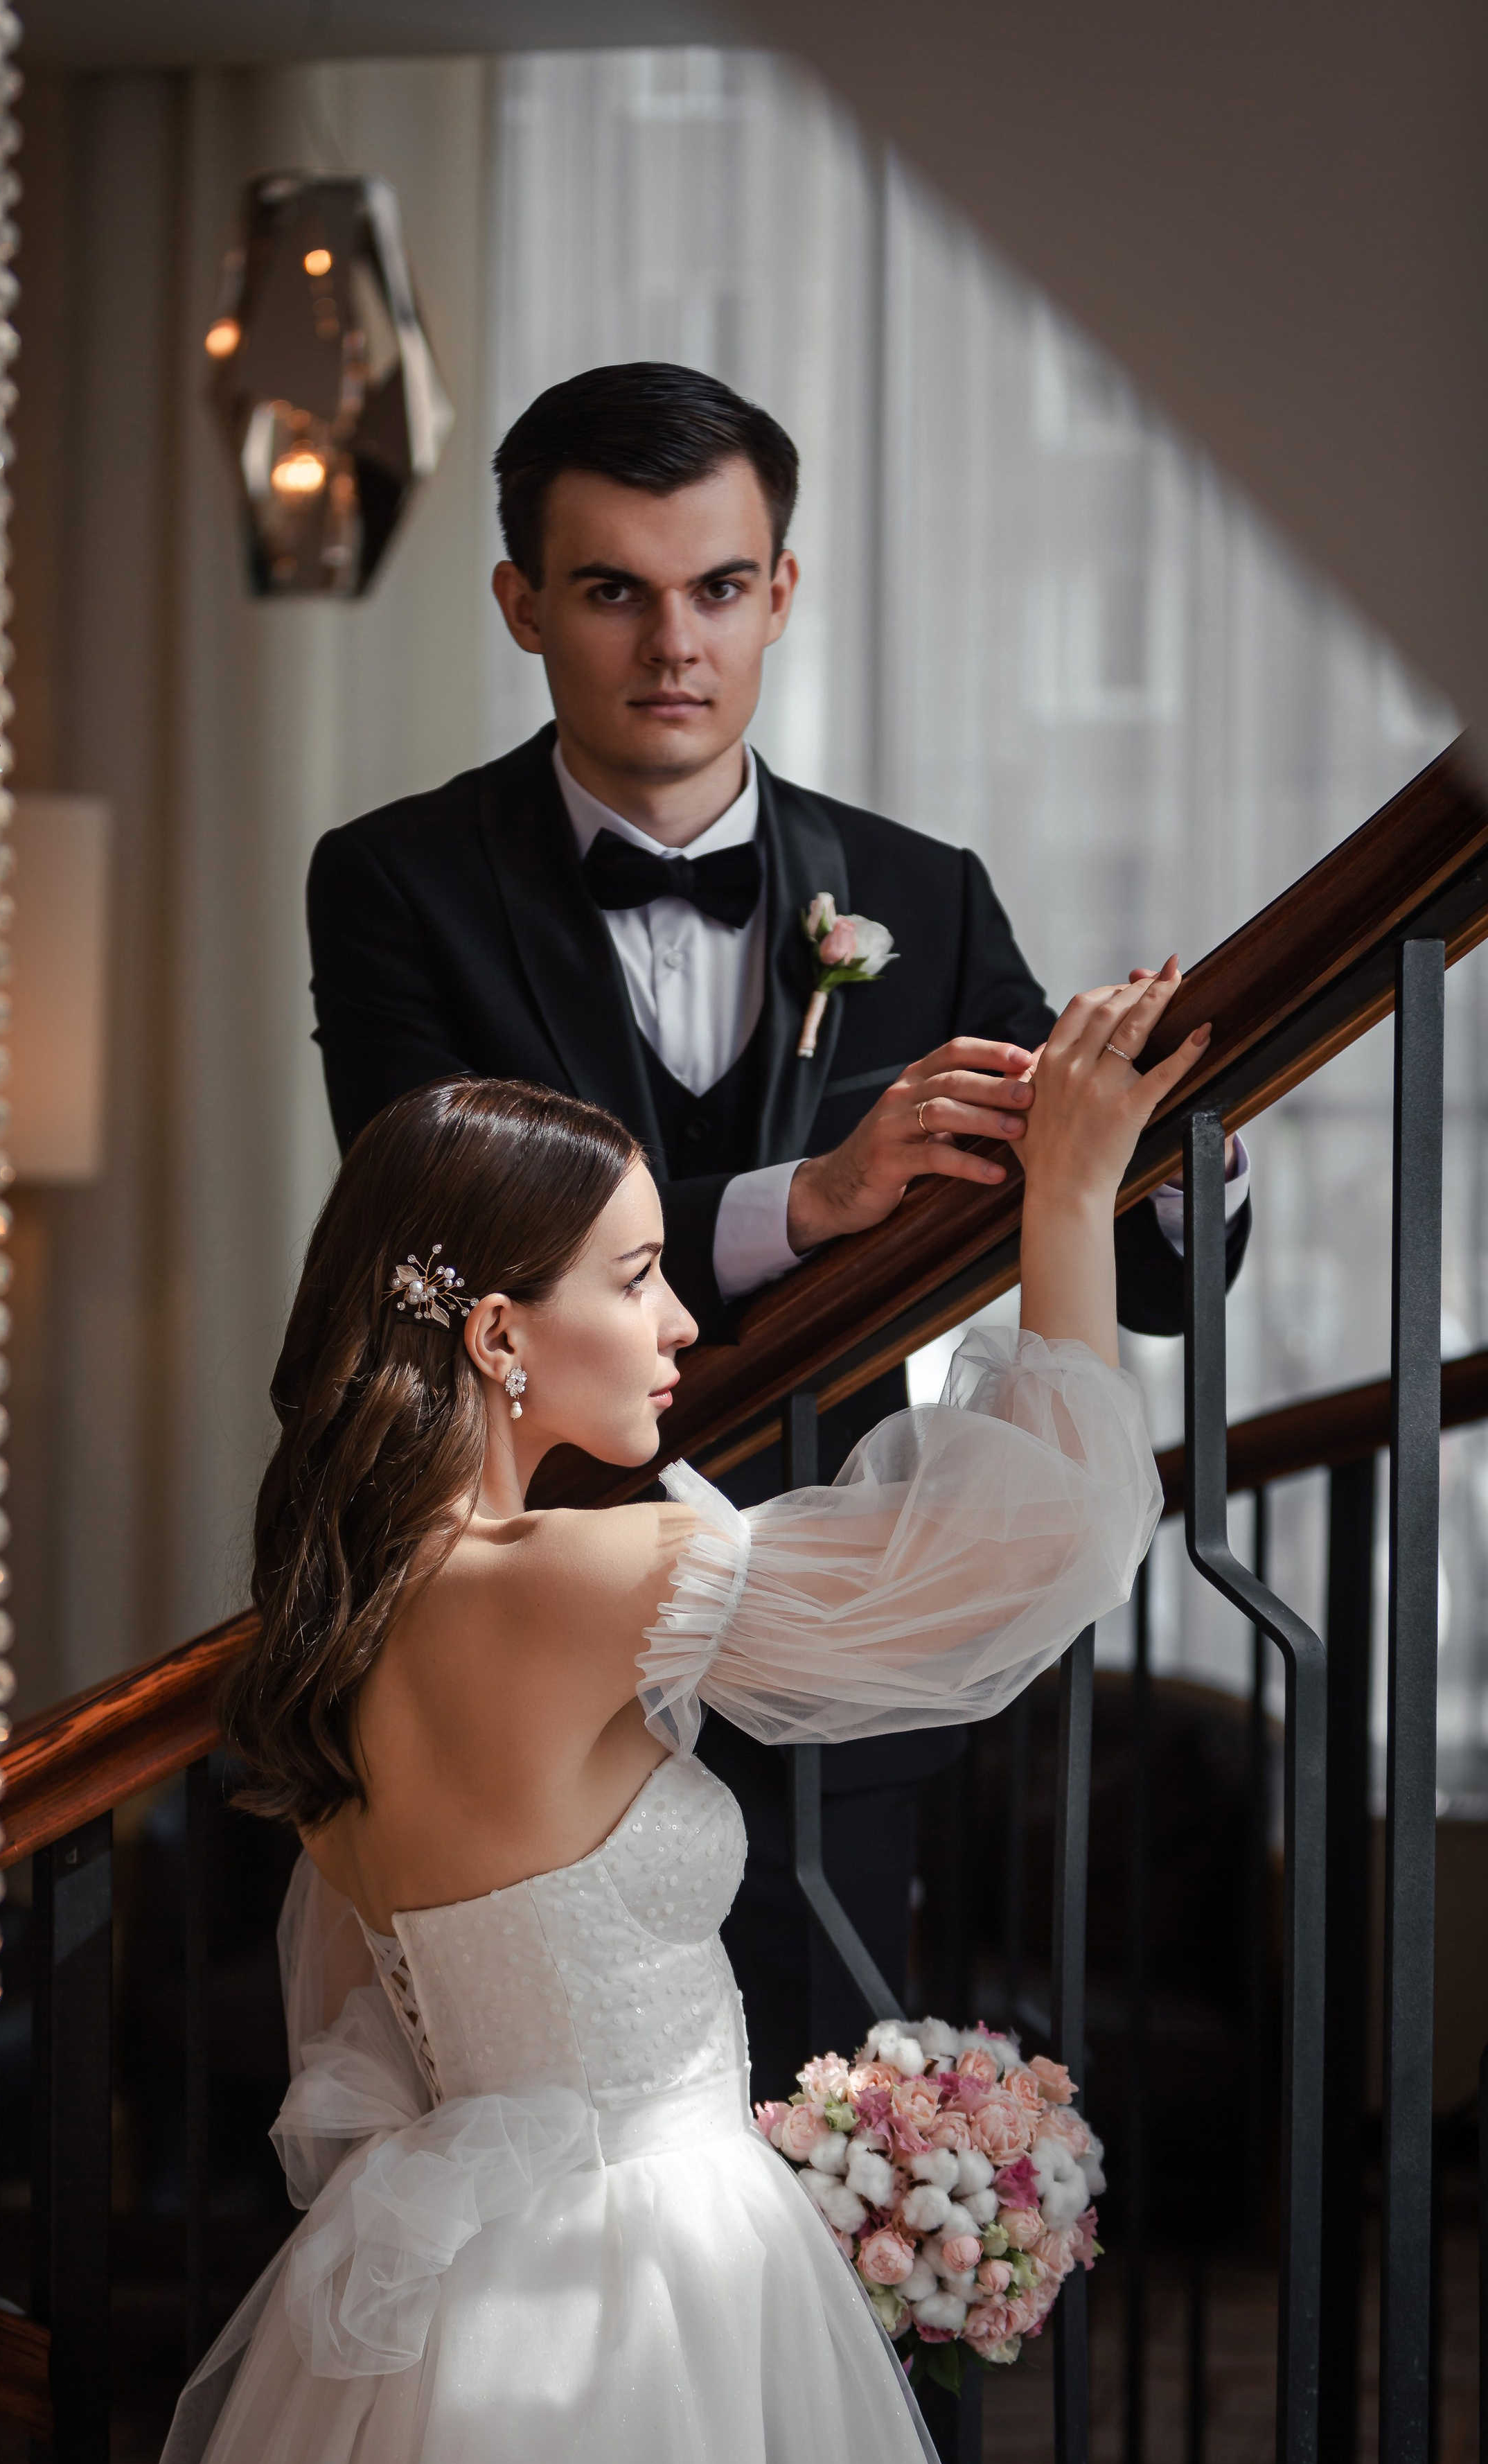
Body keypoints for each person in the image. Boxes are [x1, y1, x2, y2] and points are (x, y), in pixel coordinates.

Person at [101, 964, 1203, 2464]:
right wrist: (1062, 1193)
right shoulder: (578, 1579)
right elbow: (1033, 1542)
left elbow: (366, 2041)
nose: (682, 1320)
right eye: (635, 1276)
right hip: (647, 2283)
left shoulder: (334, 1630)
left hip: (458, 2300)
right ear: (494, 1335)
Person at [306, 362, 1250, 2094]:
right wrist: (799, 1205)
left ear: (780, 595)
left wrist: (1176, 1148)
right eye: (611, 591)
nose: (675, 644)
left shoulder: (921, 890)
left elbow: (1144, 1251)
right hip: (526, 1650)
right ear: (521, 604)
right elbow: (425, 1252)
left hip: (835, 1641)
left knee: (832, 2214)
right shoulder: (391, 883)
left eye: (718, 588)